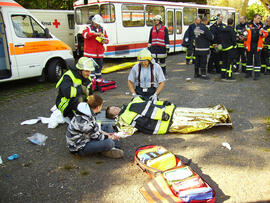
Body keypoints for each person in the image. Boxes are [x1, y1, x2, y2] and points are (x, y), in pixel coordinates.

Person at [106, 97, 232, 135]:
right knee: (195, 121)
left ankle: (220, 114)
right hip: (167, 121)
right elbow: (130, 130)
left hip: (167, 117)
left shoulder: (130, 107)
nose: (116, 108)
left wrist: (163, 107)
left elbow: (150, 106)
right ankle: (220, 116)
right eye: (114, 110)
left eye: (114, 107)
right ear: (114, 115)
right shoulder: (125, 116)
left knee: (195, 119)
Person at [82, 14, 109, 81]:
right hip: (90, 54)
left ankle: (99, 82)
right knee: (91, 71)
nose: (97, 25)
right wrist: (94, 34)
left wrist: (105, 41)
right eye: (96, 23)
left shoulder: (102, 29)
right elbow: (85, 35)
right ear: (93, 22)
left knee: (98, 71)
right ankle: (91, 84)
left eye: (98, 24)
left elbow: (106, 39)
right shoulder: (87, 28)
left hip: (99, 54)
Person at [244, 14, 268, 80]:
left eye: (260, 18)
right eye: (258, 18)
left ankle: (257, 74)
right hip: (249, 44)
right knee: (249, 59)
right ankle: (248, 73)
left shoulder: (262, 25)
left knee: (257, 60)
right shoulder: (248, 25)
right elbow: (244, 33)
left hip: (257, 45)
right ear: (254, 18)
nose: (259, 20)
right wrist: (244, 36)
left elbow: (266, 34)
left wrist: (262, 34)